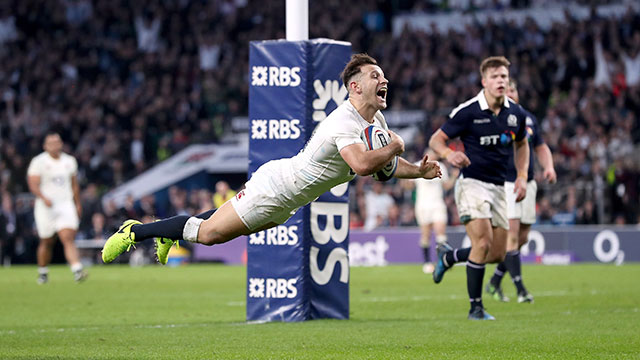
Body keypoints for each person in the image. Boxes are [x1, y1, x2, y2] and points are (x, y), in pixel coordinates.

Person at [102, 53, 442, 266]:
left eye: (383, 75)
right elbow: (363, 165)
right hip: (276, 188)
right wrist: (397, 145)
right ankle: (137, 231)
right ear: (354, 87)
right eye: (375, 76)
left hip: (288, 202)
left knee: (221, 227)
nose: (384, 80)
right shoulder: (343, 122)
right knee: (208, 236)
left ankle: (170, 232)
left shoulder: (376, 123)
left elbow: (386, 169)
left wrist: (419, 173)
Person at [428, 56, 529, 320]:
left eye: (504, 77)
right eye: (495, 77)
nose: (501, 81)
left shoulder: (515, 114)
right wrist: (449, 155)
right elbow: (436, 140)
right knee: (481, 242)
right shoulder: (468, 111)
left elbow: (522, 144)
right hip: (471, 183)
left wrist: (522, 175)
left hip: (499, 187)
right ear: (484, 81)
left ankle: (448, 258)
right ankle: (476, 308)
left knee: (496, 254)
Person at [485, 79, 556, 303]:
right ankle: (521, 290)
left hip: (529, 182)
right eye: (506, 91)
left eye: (513, 89)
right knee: (513, 236)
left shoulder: (529, 118)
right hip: (507, 182)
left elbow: (540, 146)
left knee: (522, 237)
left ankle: (495, 282)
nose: (510, 93)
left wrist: (549, 166)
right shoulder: (496, 118)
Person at [27, 132, 87, 284]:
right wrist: (43, 197)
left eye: (57, 141)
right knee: (47, 241)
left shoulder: (70, 161)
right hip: (46, 206)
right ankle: (43, 271)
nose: (55, 145)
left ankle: (77, 269)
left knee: (68, 237)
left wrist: (77, 203)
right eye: (51, 142)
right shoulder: (38, 161)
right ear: (45, 146)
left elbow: (74, 185)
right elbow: (33, 183)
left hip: (65, 204)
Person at [414, 149, 457, 274]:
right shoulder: (417, 166)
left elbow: (447, 185)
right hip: (422, 205)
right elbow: (408, 185)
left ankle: (442, 261)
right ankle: (427, 262)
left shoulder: (440, 166)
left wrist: (454, 176)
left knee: (440, 232)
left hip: (437, 203)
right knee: (425, 235)